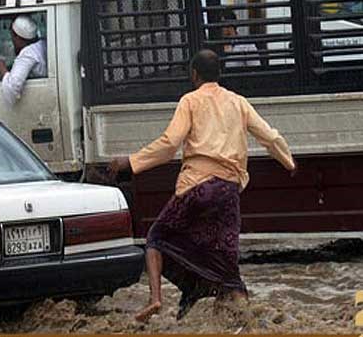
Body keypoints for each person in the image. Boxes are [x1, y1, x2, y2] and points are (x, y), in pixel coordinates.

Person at [108, 50, 296, 322]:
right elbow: (269, 136)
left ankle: (156, 300)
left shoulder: (190, 101)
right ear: (219, 74)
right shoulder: (239, 102)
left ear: (194, 74)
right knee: (228, 266)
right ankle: (249, 320)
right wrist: (289, 163)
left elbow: (170, 144)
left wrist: (131, 162)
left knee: (156, 239)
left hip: (195, 187)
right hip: (228, 191)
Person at [0, 15, 47, 106]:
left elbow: (12, 88)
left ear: (16, 37)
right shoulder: (41, 44)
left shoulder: (28, 53)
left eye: (12, 36)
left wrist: (1, 67)